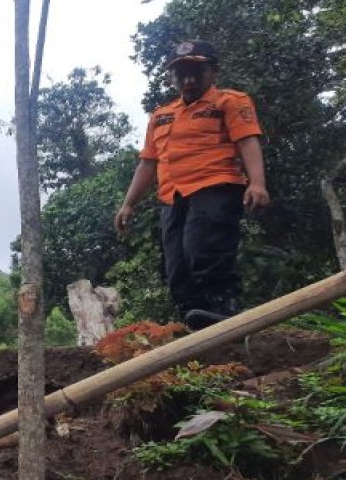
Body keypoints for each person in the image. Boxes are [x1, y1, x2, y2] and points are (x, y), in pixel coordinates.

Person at [114, 40, 270, 330]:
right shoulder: (161, 115)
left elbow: (247, 139)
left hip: (215, 186)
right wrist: (128, 203)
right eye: (181, 73)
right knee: (176, 267)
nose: (188, 79)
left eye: (197, 72)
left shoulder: (230, 101)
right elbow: (148, 162)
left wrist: (257, 183)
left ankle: (224, 307)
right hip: (173, 196)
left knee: (203, 248)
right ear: (172, 77)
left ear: (213, 72)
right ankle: (194, 318)